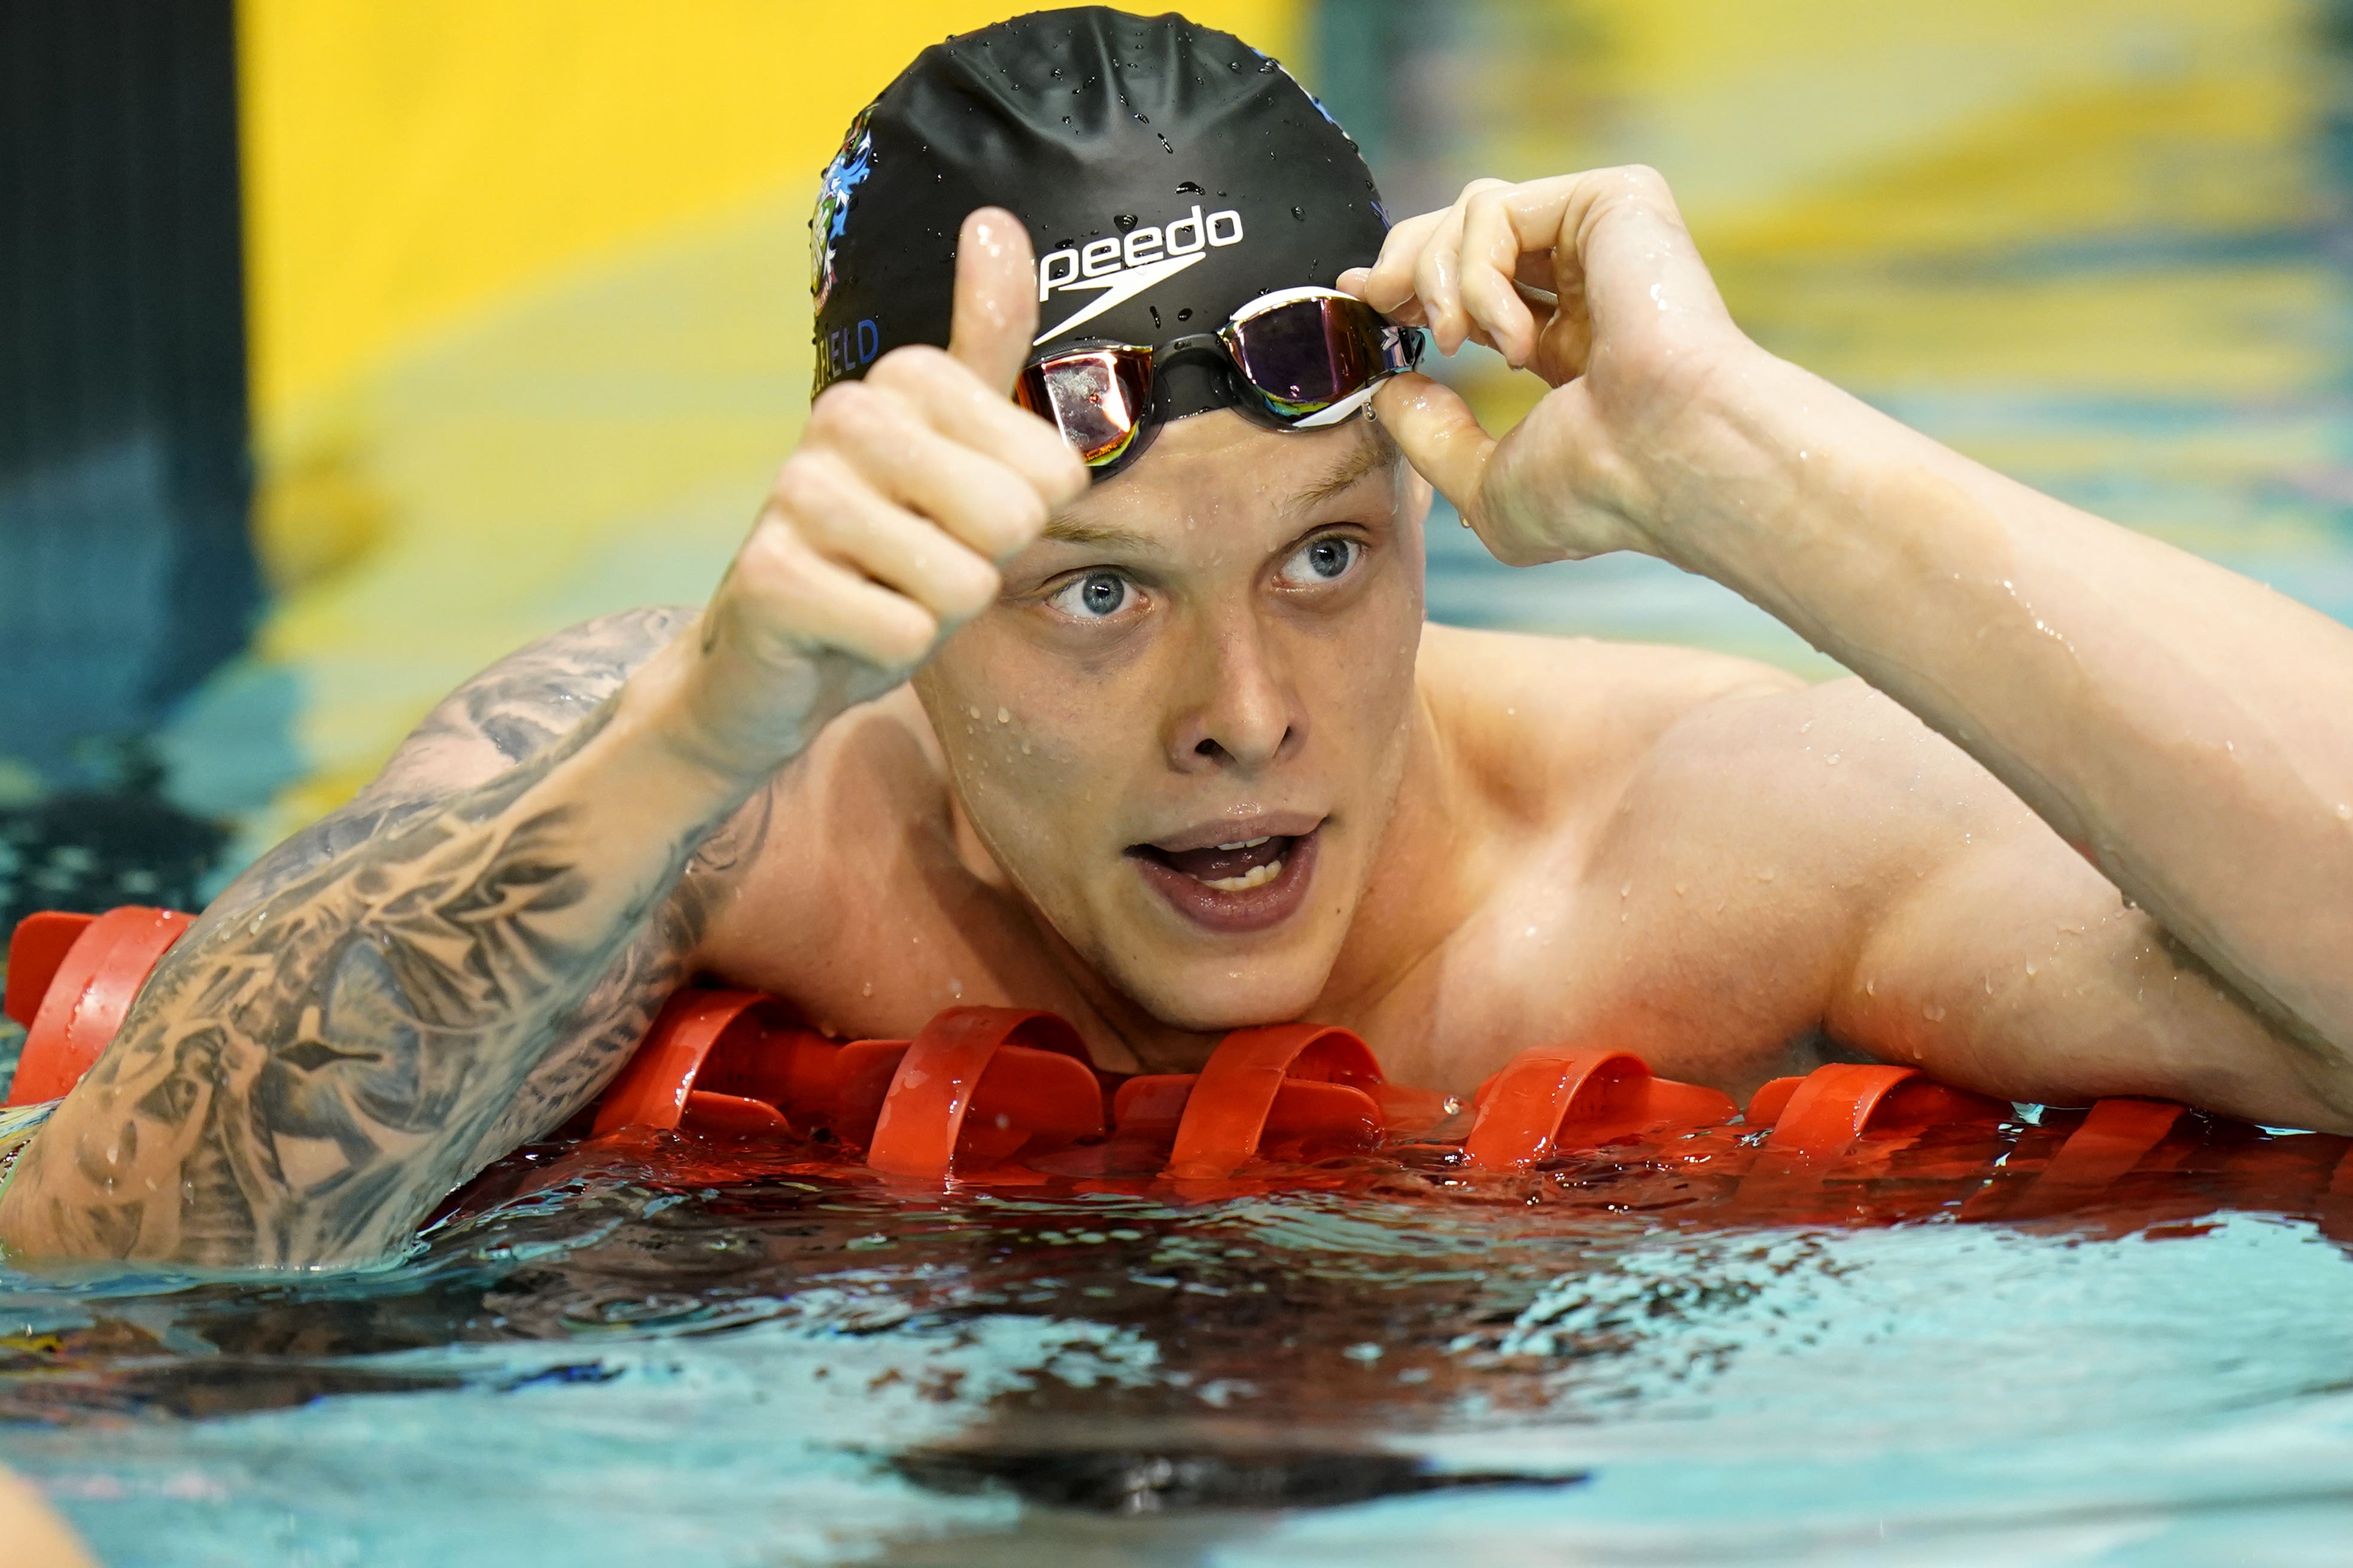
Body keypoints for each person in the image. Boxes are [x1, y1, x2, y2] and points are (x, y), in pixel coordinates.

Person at [5, 6, 2352, 1270]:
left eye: (1328, 557)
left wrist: (1751, 464)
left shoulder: (1695, 844)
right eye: (1098, 593)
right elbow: (122, 1247)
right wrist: (690, 732)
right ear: (901, 584)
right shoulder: (724, 772)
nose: (1243, 720)